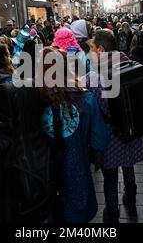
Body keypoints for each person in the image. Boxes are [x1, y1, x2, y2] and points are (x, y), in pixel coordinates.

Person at [39, 47, 110, 223]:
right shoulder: (85, 98)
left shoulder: (33, 98)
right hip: (77, 167)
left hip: (42, 171)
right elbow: (100, 138)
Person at [88, 30, 143, 223]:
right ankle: (131, 203)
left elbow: (90, 110)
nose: (90, 52)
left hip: (109, 136)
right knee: (129, 171)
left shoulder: (94, 78)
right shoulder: (132, 66)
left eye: (92, 48)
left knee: (110, 179)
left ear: (101, 49)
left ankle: (112, 214)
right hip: (130, 131)